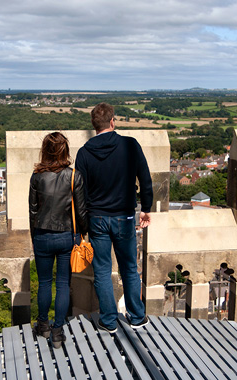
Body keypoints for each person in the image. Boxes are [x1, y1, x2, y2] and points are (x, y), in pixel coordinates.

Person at [74, 103, 153, 333]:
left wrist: (82, 224)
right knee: (129, 267)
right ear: (112, 121)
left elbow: (79, 192)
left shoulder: (84, 152)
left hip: (96, 218)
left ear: (93, 125)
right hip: (124, 217)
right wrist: (146, 208)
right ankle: (136, 317)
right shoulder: (129, 145)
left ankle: (108, 321)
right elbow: (145, 179)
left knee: (102, 270)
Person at [29, 132, 87, 348]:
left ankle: (43, 325)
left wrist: (34, 236)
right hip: (66, 236)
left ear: (45, 151)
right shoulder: (74, 176)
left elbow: (32, 211)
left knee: (44, 283)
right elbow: (81, 211)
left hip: (42, 235)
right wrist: (83, 232)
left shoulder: (37, 176)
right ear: (65, 150)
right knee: (63, 283)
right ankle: (58, 332)